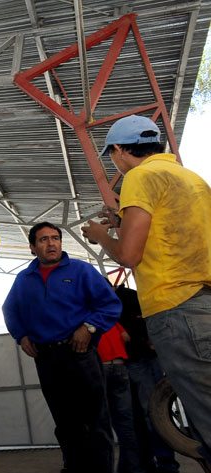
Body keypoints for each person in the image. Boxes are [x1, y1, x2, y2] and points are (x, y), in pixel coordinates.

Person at [81, 114, 211, 461]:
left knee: (206, 416)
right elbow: (173, 228)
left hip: (175, 305)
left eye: (112, 155)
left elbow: (128, 255)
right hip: (204, 301)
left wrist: (102, 235)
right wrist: (122, 221)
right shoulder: (191, 178)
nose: (114, 161)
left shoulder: (139, 177)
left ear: (120, 150)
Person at [2, 221, 121, 473]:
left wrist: (88, 327)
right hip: (46, 359)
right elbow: (10, 310)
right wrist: (21, 336)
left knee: (95, 422)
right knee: (65, 423)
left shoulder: (81, 270)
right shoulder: (24, 279)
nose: (51, 244)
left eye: (55, 238)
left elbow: (110, 305)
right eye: (43, 239)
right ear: (32, 247)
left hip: (80, 355)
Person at [116, 284, 180, 473]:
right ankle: (152, 462)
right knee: (140, 414)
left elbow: (148, 320)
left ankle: (165, 463)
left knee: (151, 412)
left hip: (140, 359)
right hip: (131, 360)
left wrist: (144, 340)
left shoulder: (128, 298)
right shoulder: (123, 298)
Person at [97, 322, 145, 473]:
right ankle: (132, 468)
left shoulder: (85, 317)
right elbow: (126, 337)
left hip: (99, 366)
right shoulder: (112, 320)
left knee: (100, 424)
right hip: (120, 366)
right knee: (126, 423)